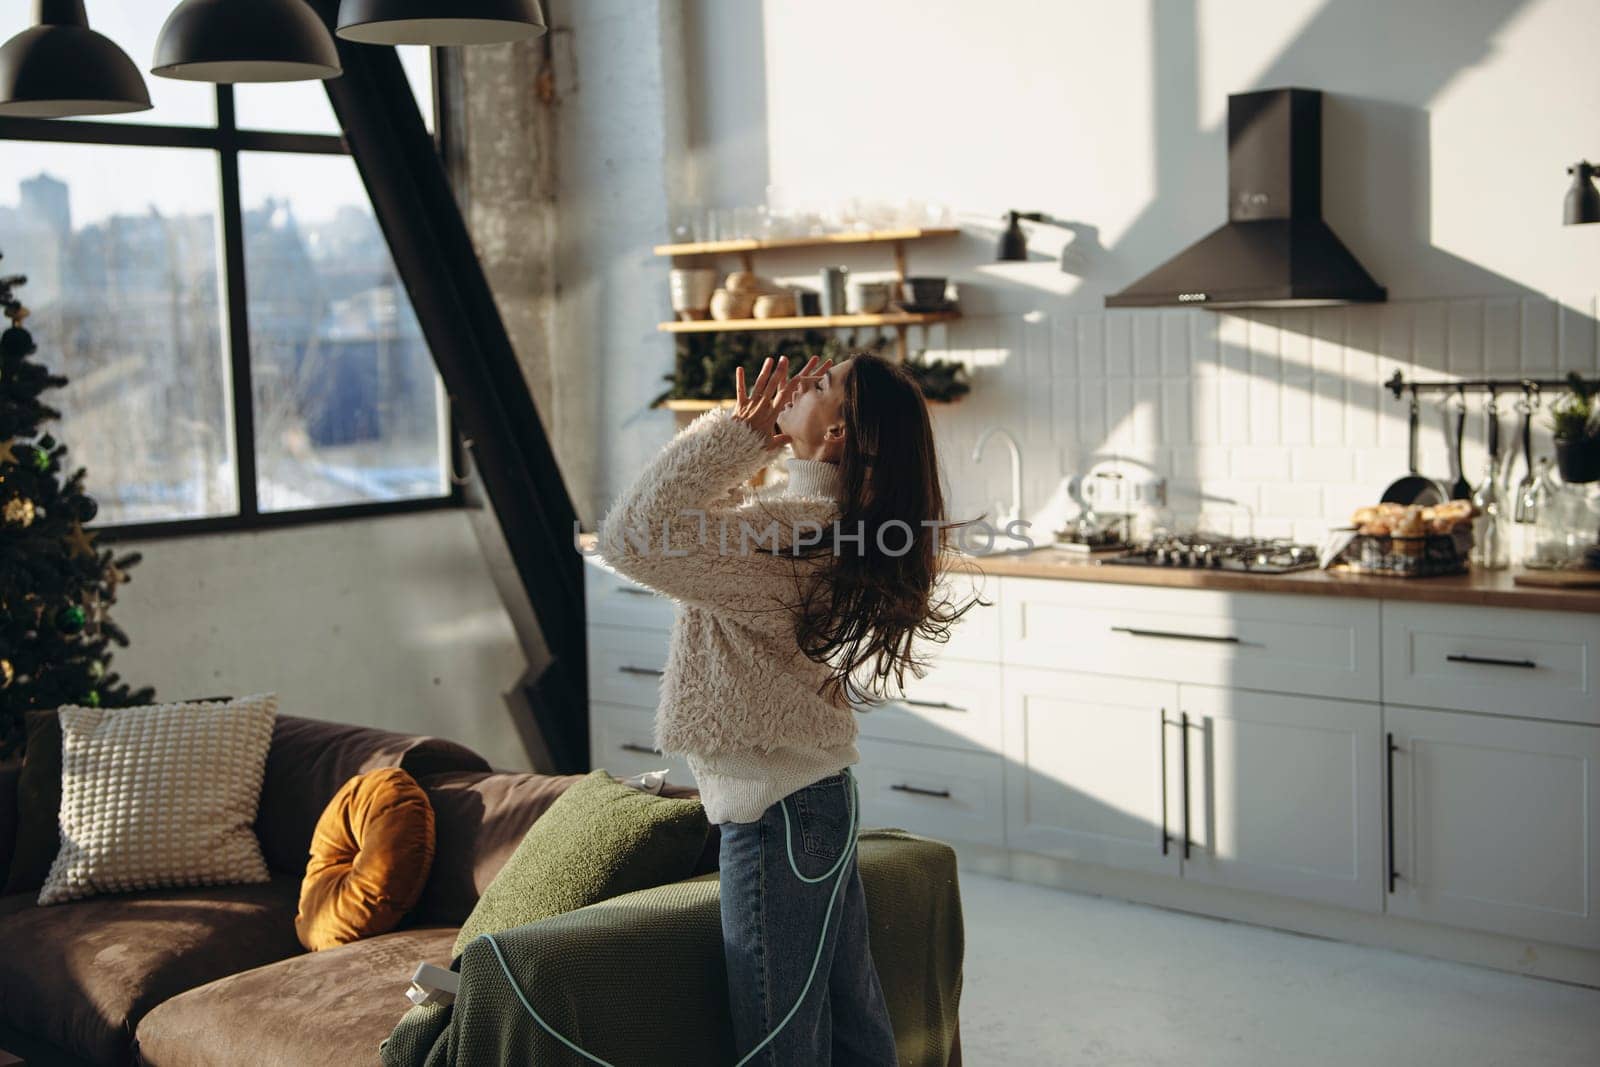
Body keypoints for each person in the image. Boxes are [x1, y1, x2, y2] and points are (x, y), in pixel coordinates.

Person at [596, 351, 976, 1066]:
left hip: (778, 819)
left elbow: (631, 537)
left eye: (822, 384)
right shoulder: (813, 523)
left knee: (780, 1046)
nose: (801, 382)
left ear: (839, 434)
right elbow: (680, 528)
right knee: (855, 1030)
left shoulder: (795, 532)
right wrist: (749, 447)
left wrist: (734, 438)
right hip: (809, 806)